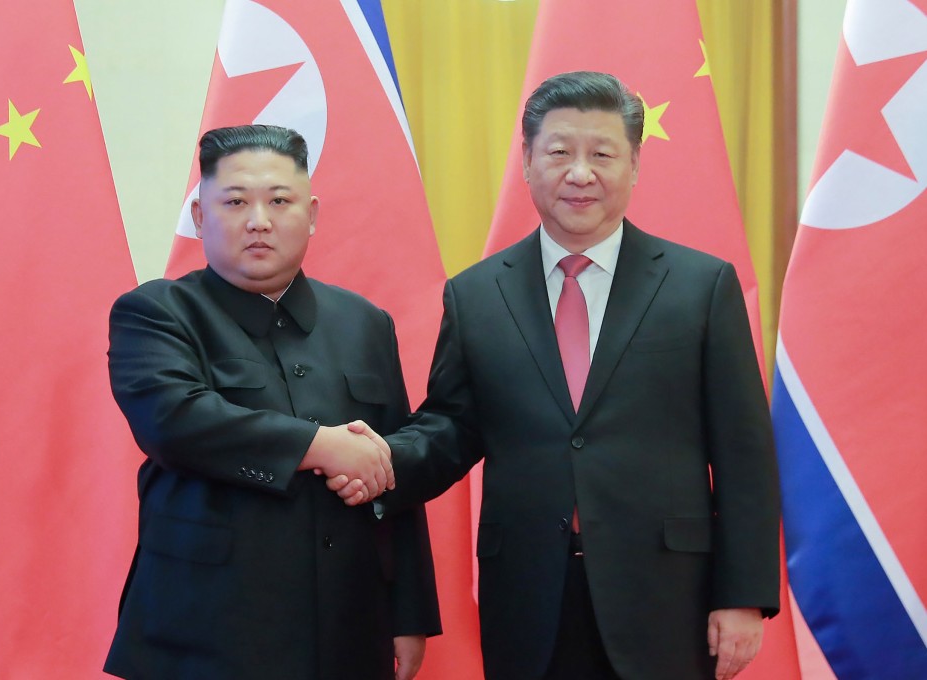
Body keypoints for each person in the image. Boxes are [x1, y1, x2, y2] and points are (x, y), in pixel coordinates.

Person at [339, 71, 781, 680]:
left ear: (634, 165)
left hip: (666, 593)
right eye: (559, 152)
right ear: (526, 161)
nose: (580, 173)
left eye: (602, 154)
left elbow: (745, 450)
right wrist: (382, 459)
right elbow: (453, 426)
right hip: (527, 589)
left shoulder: (701, 286)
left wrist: (743, 595)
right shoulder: (477, 295)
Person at [103, 124, 441, 680]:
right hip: (204, 630)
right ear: (199, 216)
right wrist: (321, 447)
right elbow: (174, 421)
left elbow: (390, 469)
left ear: (310, 215)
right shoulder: (157, 312)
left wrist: (409, 613)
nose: (258, 220)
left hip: (347, 628)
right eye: (235, 201)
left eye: (279, 201)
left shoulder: (364, 322)